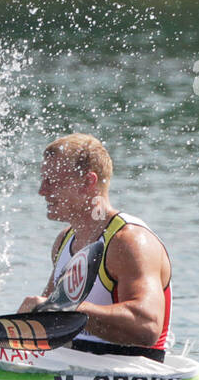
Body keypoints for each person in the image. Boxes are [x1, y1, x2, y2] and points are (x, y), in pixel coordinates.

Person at [18, 134, 172, 360]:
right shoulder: (64, 241)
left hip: (134, 373)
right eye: (43, 180)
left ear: (88, 182)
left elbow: (146, 327)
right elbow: (50, 322)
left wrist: (64, 309)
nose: (42, 190)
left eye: (53, 181)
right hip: (72, 363)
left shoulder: (130, 241)